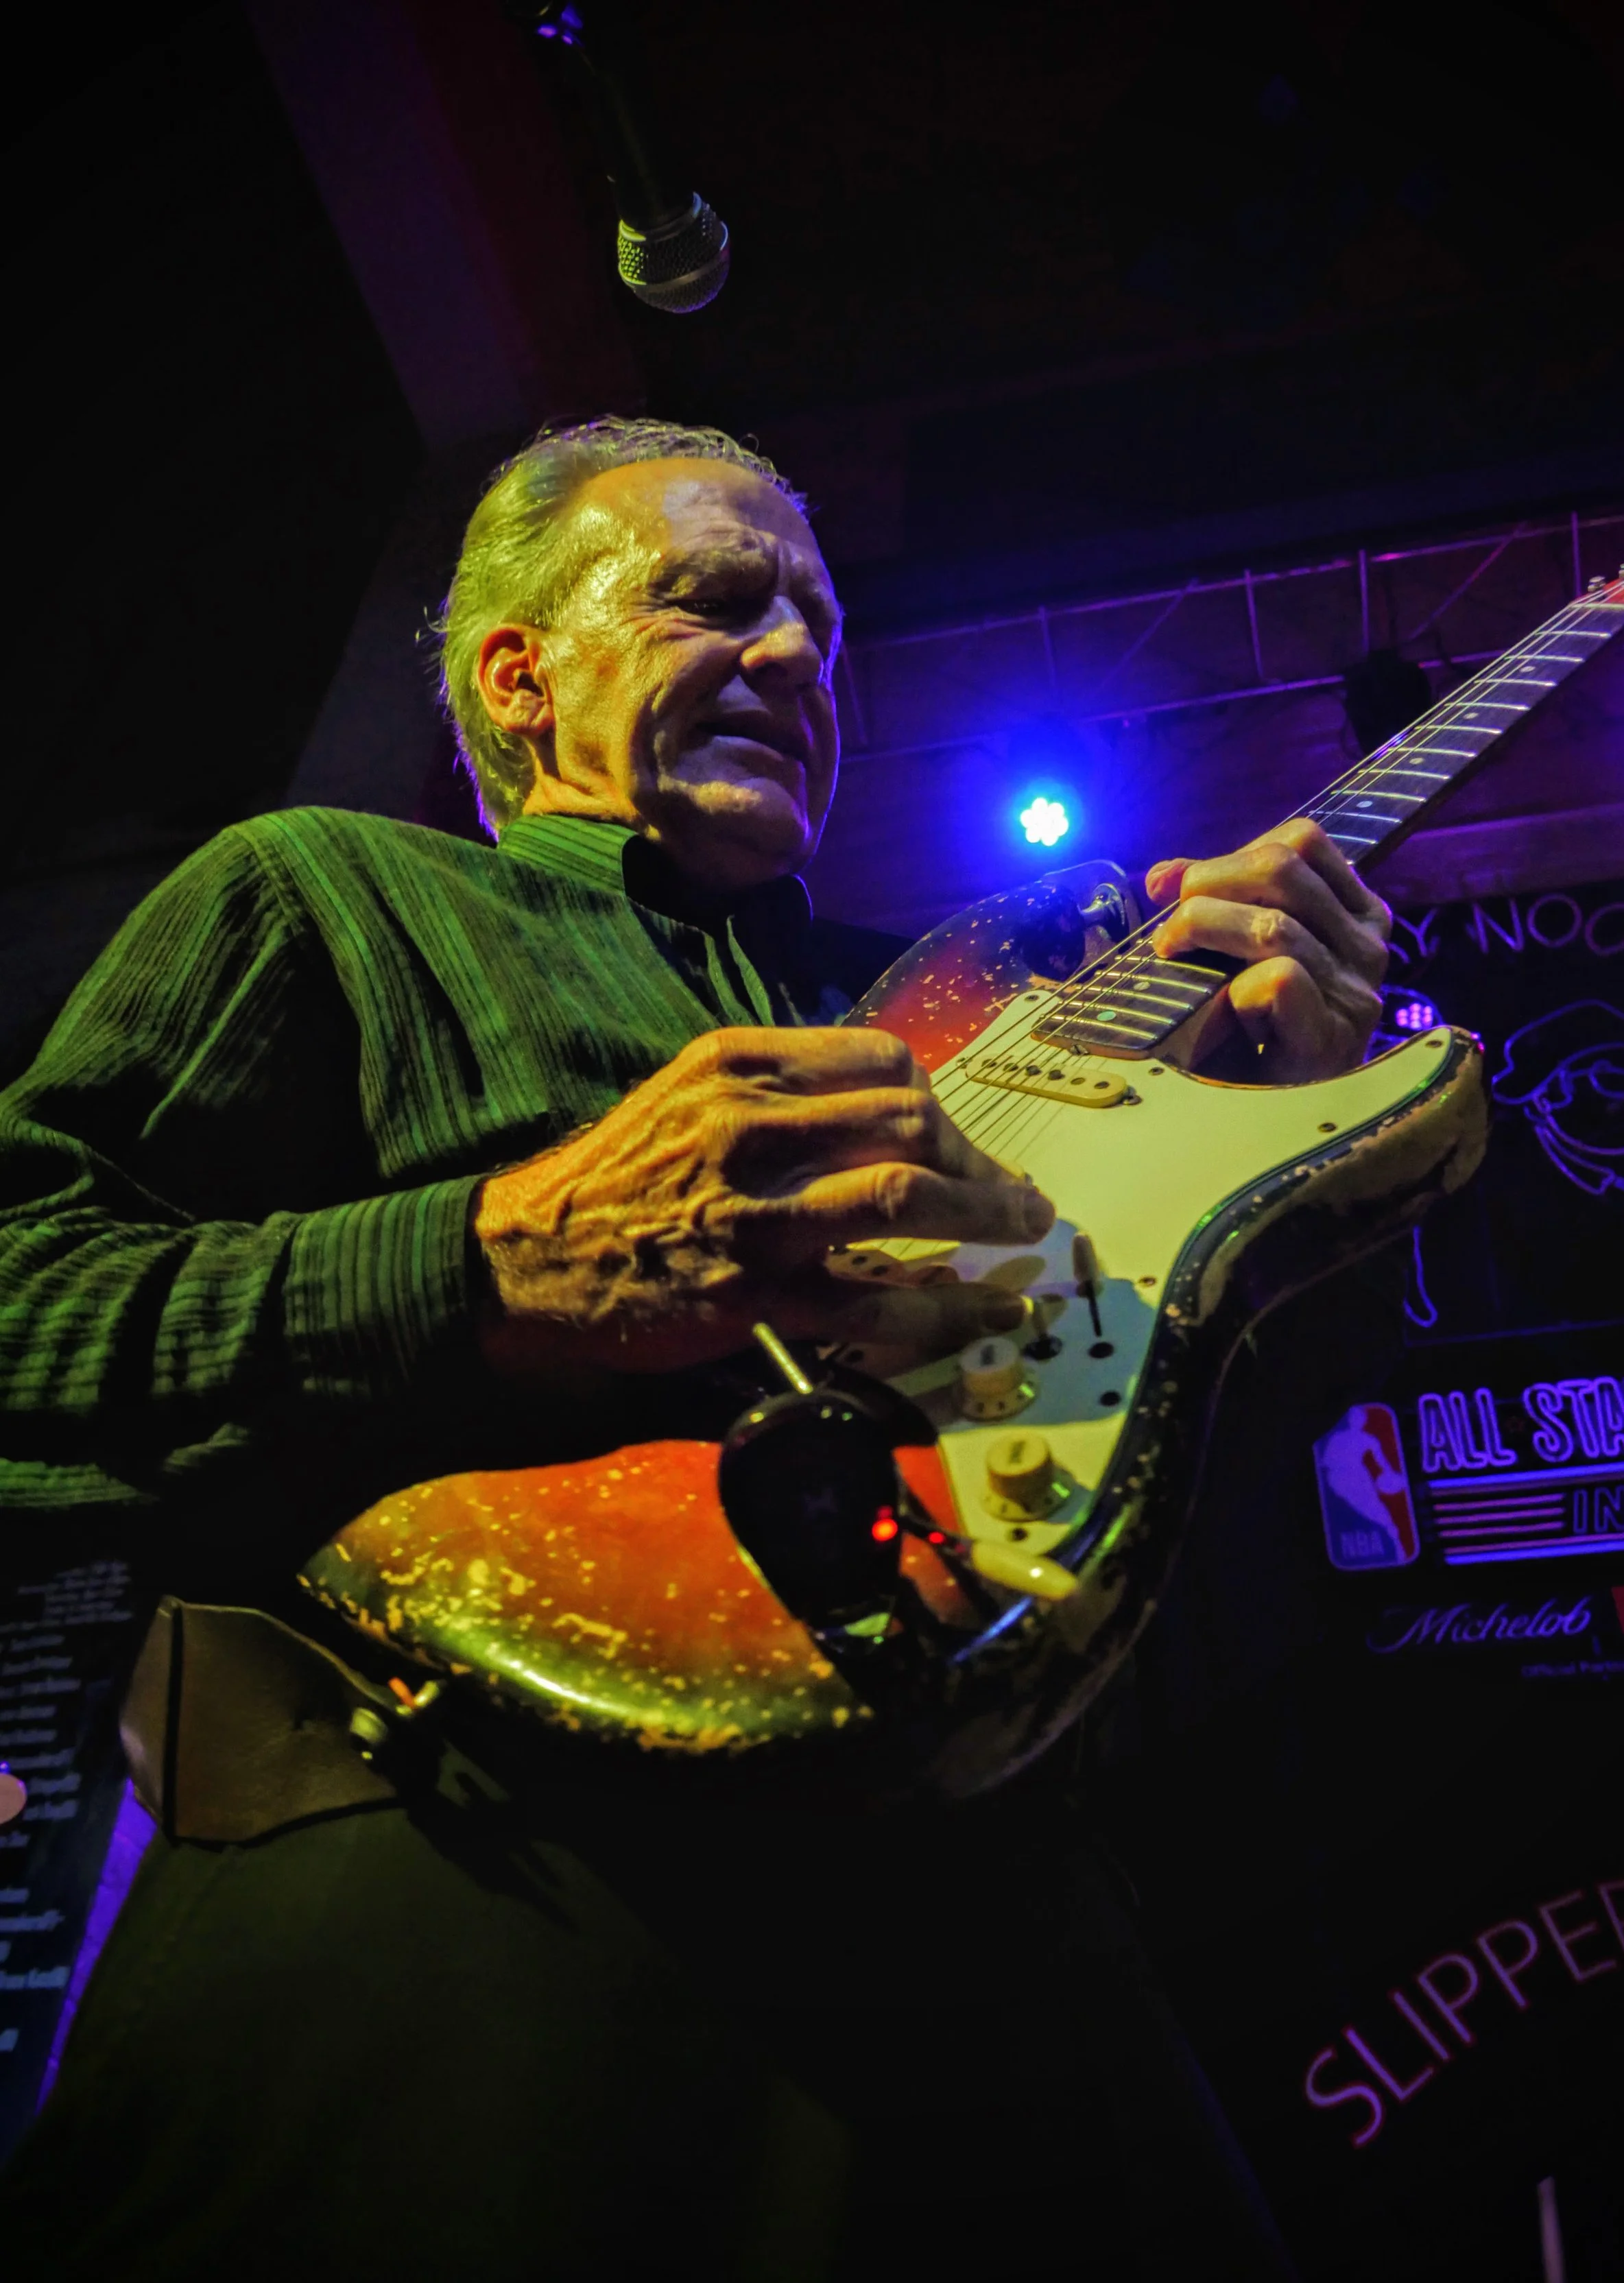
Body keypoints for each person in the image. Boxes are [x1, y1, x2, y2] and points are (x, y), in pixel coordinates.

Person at [0, 419, 1392, 2279]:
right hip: (467, 1911)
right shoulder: (326, 889)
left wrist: (1254, 1159)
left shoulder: (983, 1014)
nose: (798, 658)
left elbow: (1142, 1453)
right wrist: (492, 1264)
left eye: (822, 626)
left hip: (1001, 1942)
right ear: (521, 673)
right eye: (713, 598)